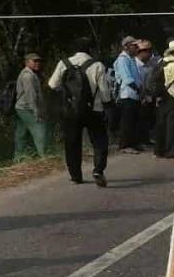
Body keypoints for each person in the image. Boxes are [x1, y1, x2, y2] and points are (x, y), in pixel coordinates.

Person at [49, 38, 110, 186]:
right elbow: (104, 93)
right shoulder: (97, 65)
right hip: (93, 110)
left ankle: (76, 175)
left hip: (70, 110)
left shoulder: (64, 63)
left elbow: (52, 84)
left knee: (72, 143)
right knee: (99, 141)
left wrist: (67, 95)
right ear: (91, 49)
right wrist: (108, 106)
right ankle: (98, 170)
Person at [13, 53, 49, 157]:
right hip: (26, 108)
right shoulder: (27, 76)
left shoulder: (30, 74)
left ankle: (19, 156)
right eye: (34, 61)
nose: (37, 63)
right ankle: (43, 155)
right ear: (27, 62)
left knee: (21, 133)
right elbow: (30, 95)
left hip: (21, 107)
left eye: (38, 61)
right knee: (39, 128)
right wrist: (36, 111)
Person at [113, 35, 143, 153]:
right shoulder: (122, 59)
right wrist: (138, 89)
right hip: (127, 94)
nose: (136, 48)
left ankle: (133, 143)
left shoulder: (131, 59)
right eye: (134, 46)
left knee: (133, 120)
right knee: (127, 121)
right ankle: (125, 145)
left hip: (134, 94)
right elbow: (127, 78)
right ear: (126, 47)